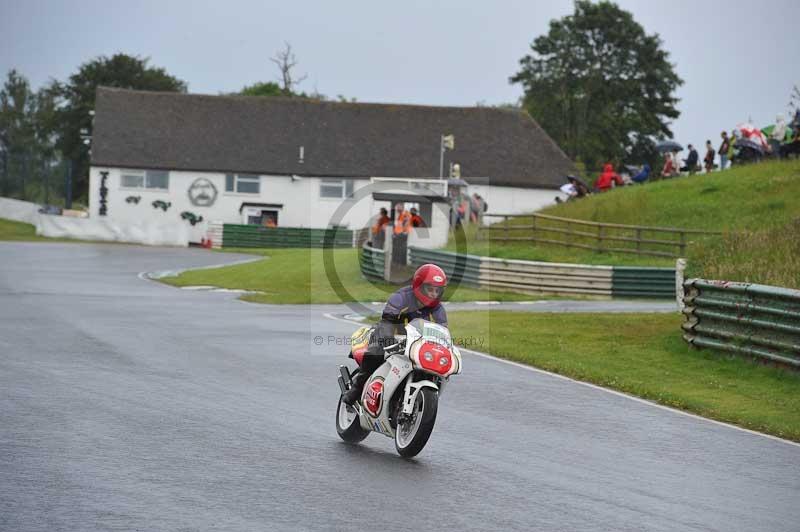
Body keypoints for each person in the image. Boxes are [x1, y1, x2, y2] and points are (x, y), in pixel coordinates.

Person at [342, 264, 448, 405]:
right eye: (430, 289)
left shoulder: (438, 309)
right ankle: (356, 390)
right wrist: (388, 340)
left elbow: (442, 332)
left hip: (415, 345)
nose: (434, 294)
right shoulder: (401, 297)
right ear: (419, 286)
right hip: (392, 336)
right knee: (375, 353)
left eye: (437, 290)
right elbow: (387, 322)